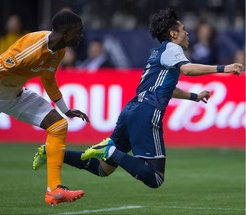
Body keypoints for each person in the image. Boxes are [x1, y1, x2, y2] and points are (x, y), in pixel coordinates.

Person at [32, 8, 243, 189]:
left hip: (131, 110)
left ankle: (52, 151)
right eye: (184, 29)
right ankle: (110, 150)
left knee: (101, 169)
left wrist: (194, 96)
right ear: (173, 33)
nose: (188, 33)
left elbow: (164, 87)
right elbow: (187, 70)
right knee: (155, 178)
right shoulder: (173, 49)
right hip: (146, 113)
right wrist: (224, 68)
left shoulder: (156, 53)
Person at [0, 10, 90, 206]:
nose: (81, 35)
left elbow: (48, 78)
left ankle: (54, 190)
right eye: (78, 31)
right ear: (64, 32)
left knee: (58, 125)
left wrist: (65, 109)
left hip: (16, 95)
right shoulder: (32, 46)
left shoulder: (59, 51)